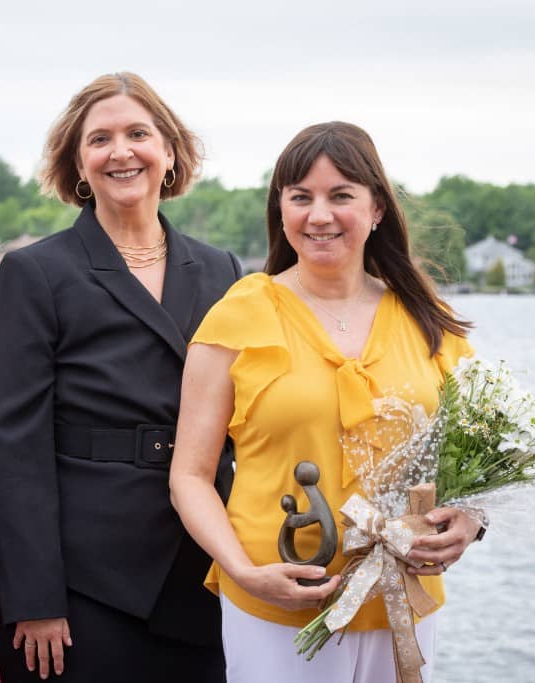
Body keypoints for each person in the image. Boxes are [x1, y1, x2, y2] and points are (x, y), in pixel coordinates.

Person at [169, 121, 481, 683]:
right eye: (301, 197)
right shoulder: (240, 313)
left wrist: (470, 519)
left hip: (402, 596)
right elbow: (189, 475)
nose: (319, 216)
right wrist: (242, 572)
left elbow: (474, 458)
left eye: (341, 196)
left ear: (377, 208)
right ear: (280, 208)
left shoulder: (425, 316)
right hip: (277, 605)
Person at [0, 72, 242, 683]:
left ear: (170, 152)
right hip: (78, 586)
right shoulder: (35, 272)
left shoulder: (221, 269)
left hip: (198, 571)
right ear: (78, 163)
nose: (121, 151)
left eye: (138, 133)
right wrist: (33, 597)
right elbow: (13, 443)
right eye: (100, 139)